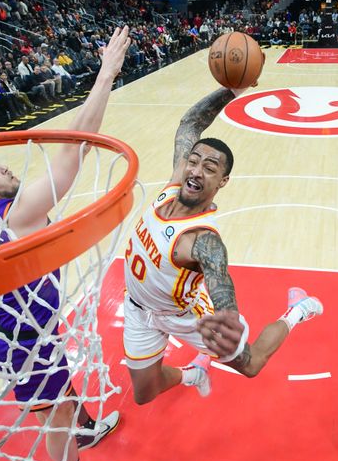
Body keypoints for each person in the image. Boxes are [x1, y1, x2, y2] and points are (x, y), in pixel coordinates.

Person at [0, 25, 131, 461]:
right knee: (55, 427)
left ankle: (88, 426)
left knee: (61, 393)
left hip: (14, 331)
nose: (0, 166)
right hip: (23, 342)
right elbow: (74, 147)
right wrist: (105, 76)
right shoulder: (17, 213)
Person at [123, 84, 323, 405]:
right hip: (138, 309)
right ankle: (194, 373)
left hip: (187, 316)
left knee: (252, 363)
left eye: (210, 168)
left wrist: (228, 318)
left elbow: (222, 288)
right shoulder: (175, 183)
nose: (196, 170)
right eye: (194, 160)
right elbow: (190, 124)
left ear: (222, 182)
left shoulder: (203, 240)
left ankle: (296, 310)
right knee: (144, 393)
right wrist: (230, 89)